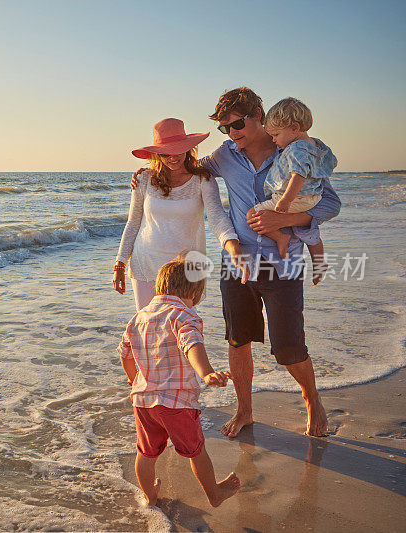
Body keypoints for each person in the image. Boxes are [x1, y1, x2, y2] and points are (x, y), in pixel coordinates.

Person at [200, 87, 341, 437]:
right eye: (225, 128)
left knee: (289, 348)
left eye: (237, 125)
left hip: (284, 264)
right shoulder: (225, 155)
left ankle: (312, 399)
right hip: (237, 266)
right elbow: (190, 172)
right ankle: (244, 410)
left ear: (259, 115)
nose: (232, 134)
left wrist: (286, 221)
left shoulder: (294, 152)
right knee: (238, 339)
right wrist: (149, 174)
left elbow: (331, 204)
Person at [118, 253, 240, 507]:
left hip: (142, 401)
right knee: (196, 451)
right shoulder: (183, 315)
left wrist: (133, 380)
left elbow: (125, 353)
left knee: (146, 452)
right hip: (176, 403)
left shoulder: (138, 318)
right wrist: (206, 372)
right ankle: (214, 494)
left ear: (159, 286)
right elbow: (191, 344)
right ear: (194, 293)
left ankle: (149, 495)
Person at [113, 118, 246, 313]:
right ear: (157, 154)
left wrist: (233, 247)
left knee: (183, 331)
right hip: (146, 264)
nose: (173, 157)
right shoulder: (144, 179)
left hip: (185, 269)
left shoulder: (203, 179)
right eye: (166, 153)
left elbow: (217, 217)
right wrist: (120, 264)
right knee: (149, 332)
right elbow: (133, 223)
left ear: (188, 149)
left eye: (178, 151)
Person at [247, 97, 338, 285]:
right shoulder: (317, 146)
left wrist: (285, 200)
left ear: (295, 128)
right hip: (313, 196)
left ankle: (281, 237)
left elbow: (297, 176)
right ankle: (319, 262)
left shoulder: (296, 149)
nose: (273, 140)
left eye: (276, 135)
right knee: (306, 231)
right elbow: (331, 164)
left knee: (252, 214)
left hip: (293, 197)